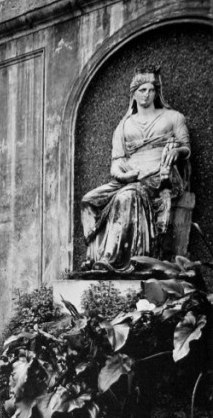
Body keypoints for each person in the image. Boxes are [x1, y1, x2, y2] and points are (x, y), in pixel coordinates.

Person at [80, 66, 190, 272]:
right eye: (142, 90)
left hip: (160, 175)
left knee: (127, 196)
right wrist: (122, 175)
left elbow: (185, 147)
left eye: (151, 90)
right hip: (130, 177)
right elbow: (117, 161)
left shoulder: (174, 117)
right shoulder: (124, 126)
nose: (147, 94)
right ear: (134, 93)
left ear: (157, 92)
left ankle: (112, 259)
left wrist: (177, 152)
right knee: (89, 200)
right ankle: (92, 257)